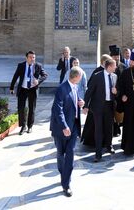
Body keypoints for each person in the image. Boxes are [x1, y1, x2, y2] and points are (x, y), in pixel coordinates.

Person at [50, 66, 85, 197]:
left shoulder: (75, 87)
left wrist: (80, 103)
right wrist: (64, 126)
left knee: (70, 153)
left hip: (74, 126)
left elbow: (73, 102)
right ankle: (63, 173)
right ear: (76, 77)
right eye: (81, 77)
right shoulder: (62, 89)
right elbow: (57, 110)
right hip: (61, 128)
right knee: (60, 153)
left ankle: (66, 184)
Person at [83, 58, 117, 162]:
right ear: (109, 66)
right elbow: (89, 91)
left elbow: (117, 92)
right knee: (98, 129)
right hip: (98, 107)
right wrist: (85, 106)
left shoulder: (115, 77)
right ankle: (98, 154)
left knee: (109, 127)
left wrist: (116, 92)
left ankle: (109, 146)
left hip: (109, 106)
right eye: (114, 65)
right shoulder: (97, 76)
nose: (116, 67)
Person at [10, 50, 48, 135]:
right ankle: (23, 126)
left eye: (33, 57)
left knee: (32, 108)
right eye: (30, 57)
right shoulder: (21, 65)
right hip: (23, 89)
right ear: (26, 58)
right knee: (21, 108)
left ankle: (30, 126)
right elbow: (15, 76)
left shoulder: (38, 66)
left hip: (32, 89)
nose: (32, 59)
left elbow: (45, 75)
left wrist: (38, 80)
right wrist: (11, 87)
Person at [81, 53, 111, 146]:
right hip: (96, 104)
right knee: (94, 125)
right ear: (104, 62)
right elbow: (90, 88)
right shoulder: (97, 72)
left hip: (106, 104)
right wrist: (86, 105)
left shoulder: (108, 72)